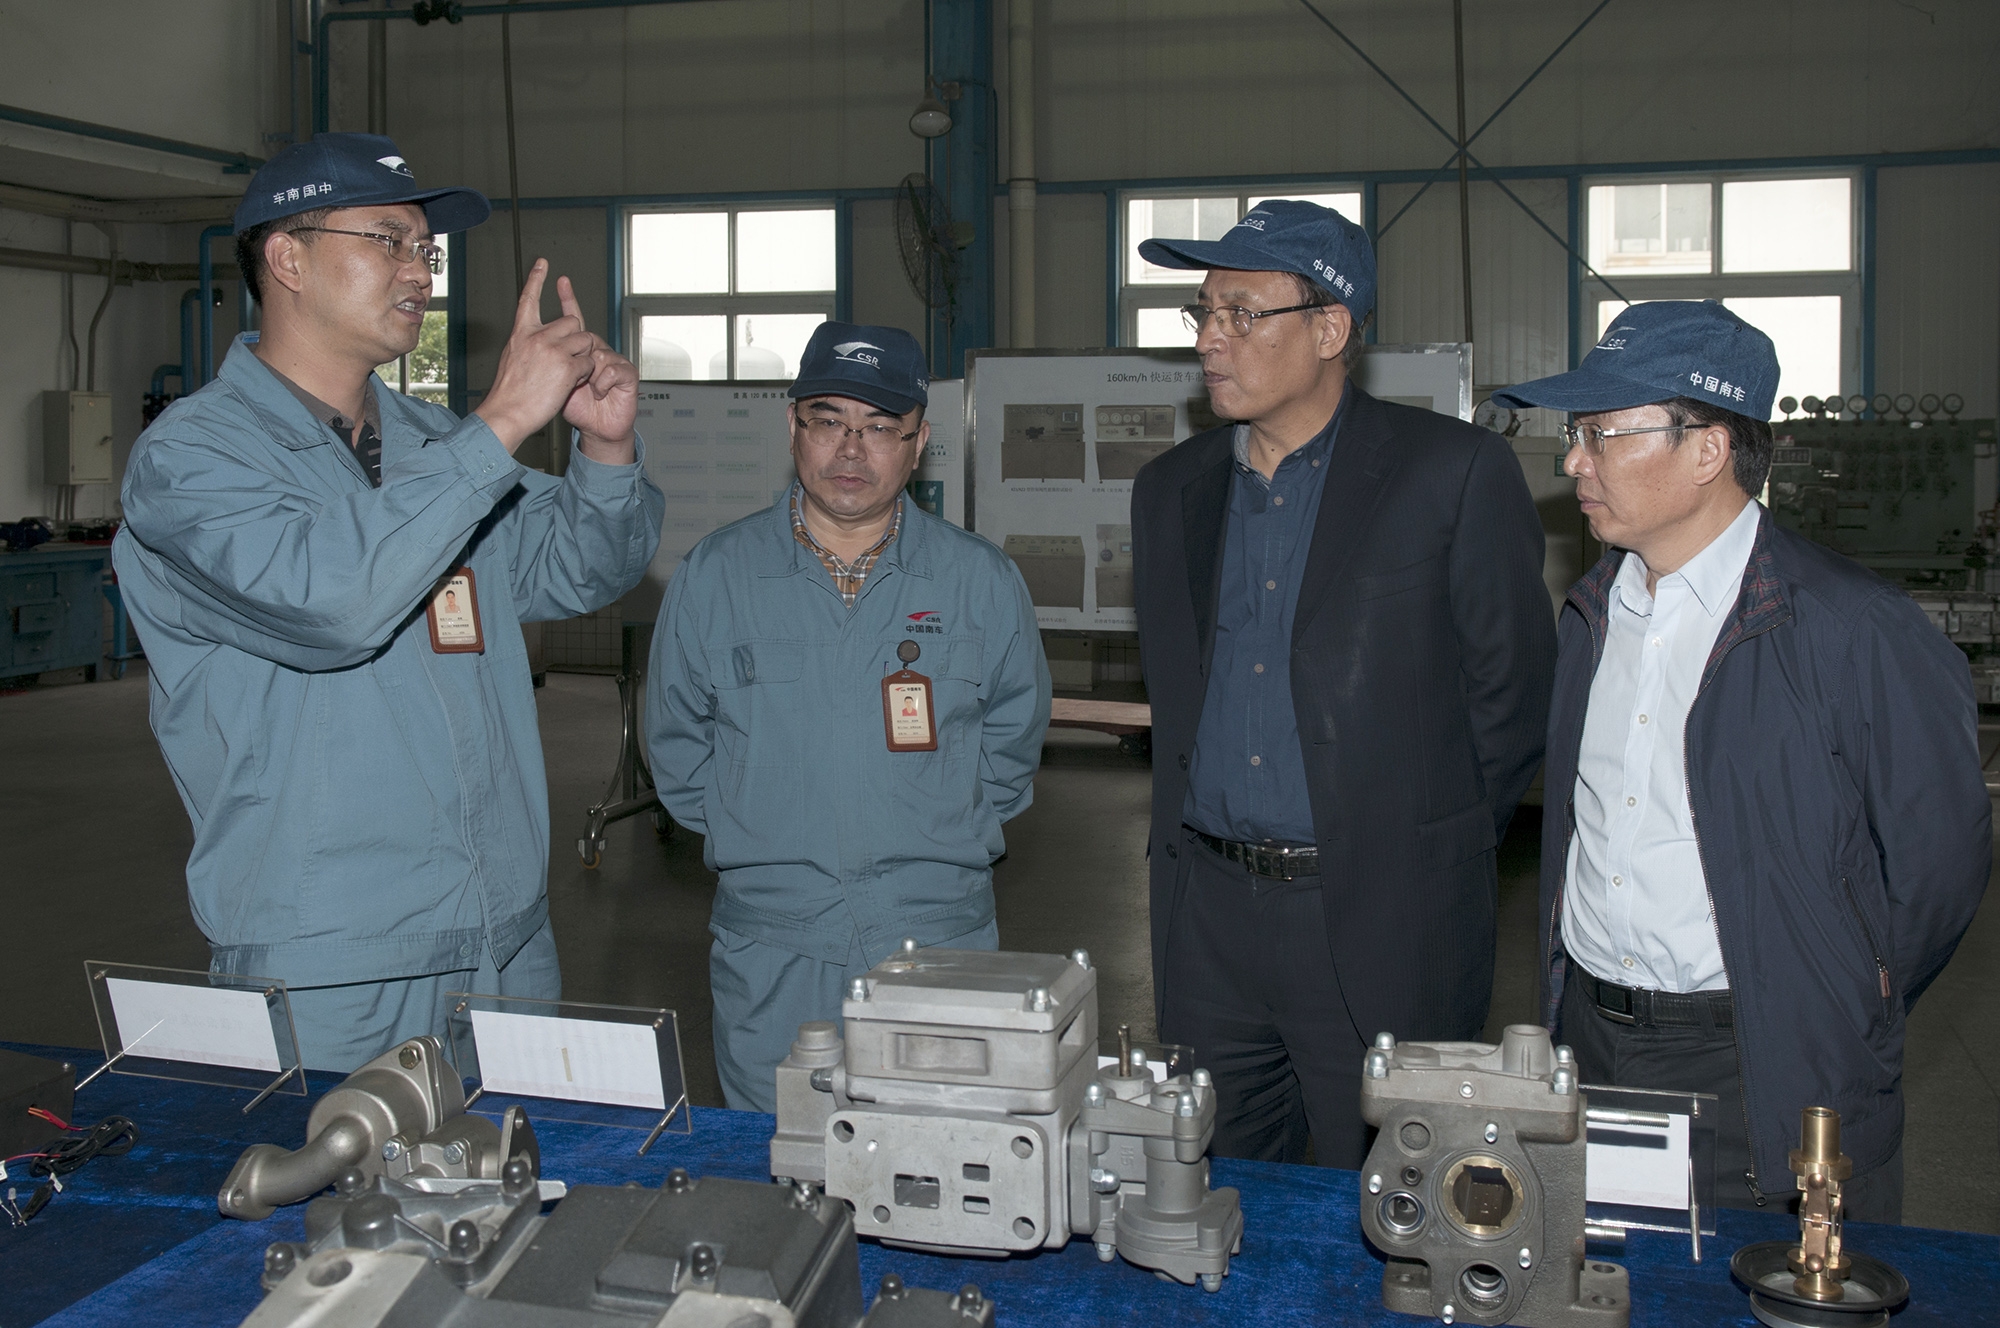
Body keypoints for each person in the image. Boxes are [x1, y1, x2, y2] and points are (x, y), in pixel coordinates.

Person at [114, 133, 665, 1071]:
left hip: (502, 939)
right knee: (335, 1173)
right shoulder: (193, 458)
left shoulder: (433, 444)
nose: (419, 271)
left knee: (513, 1168)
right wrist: (501, 423)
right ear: (288, 259)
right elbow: (331, 605)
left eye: (425, 250)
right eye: (387, 241)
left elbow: (578, 569)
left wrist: (606, 452)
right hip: (332, 959)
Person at [1493, 300, 1990, 1221]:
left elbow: (1940, 863)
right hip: (1594, 1045)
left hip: (1763, 1065)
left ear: (1708, 451)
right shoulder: (1592, 616)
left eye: (1602, 434)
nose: (1574, 462)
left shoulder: (1852, 630)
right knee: (1607, 1277)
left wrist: (1842, 993)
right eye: (1575, 434)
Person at [1130, 200, 1556, 1168]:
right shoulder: (1170, 490)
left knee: (1387, 1193)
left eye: (1241, 313)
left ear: (1329, 328)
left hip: (1378, 913)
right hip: (1207, 920)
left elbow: (1513, 695)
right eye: (1203, 312)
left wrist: (1420, 845)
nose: (1208, 339)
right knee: (1222, 1186)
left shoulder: (1449, 473)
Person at [647, 321, 1051, 1112]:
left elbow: (1011, 745)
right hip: (774, 946)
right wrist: (766, 839)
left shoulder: (979, 582)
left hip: (934, 940)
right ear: (793, 427)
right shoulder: (717, 577)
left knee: (937, 1155)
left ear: (918, 442)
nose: (851, 449)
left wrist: (932, 835)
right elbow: (678, 748)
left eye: (879, 427)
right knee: (782, 1159)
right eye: (828, 421)